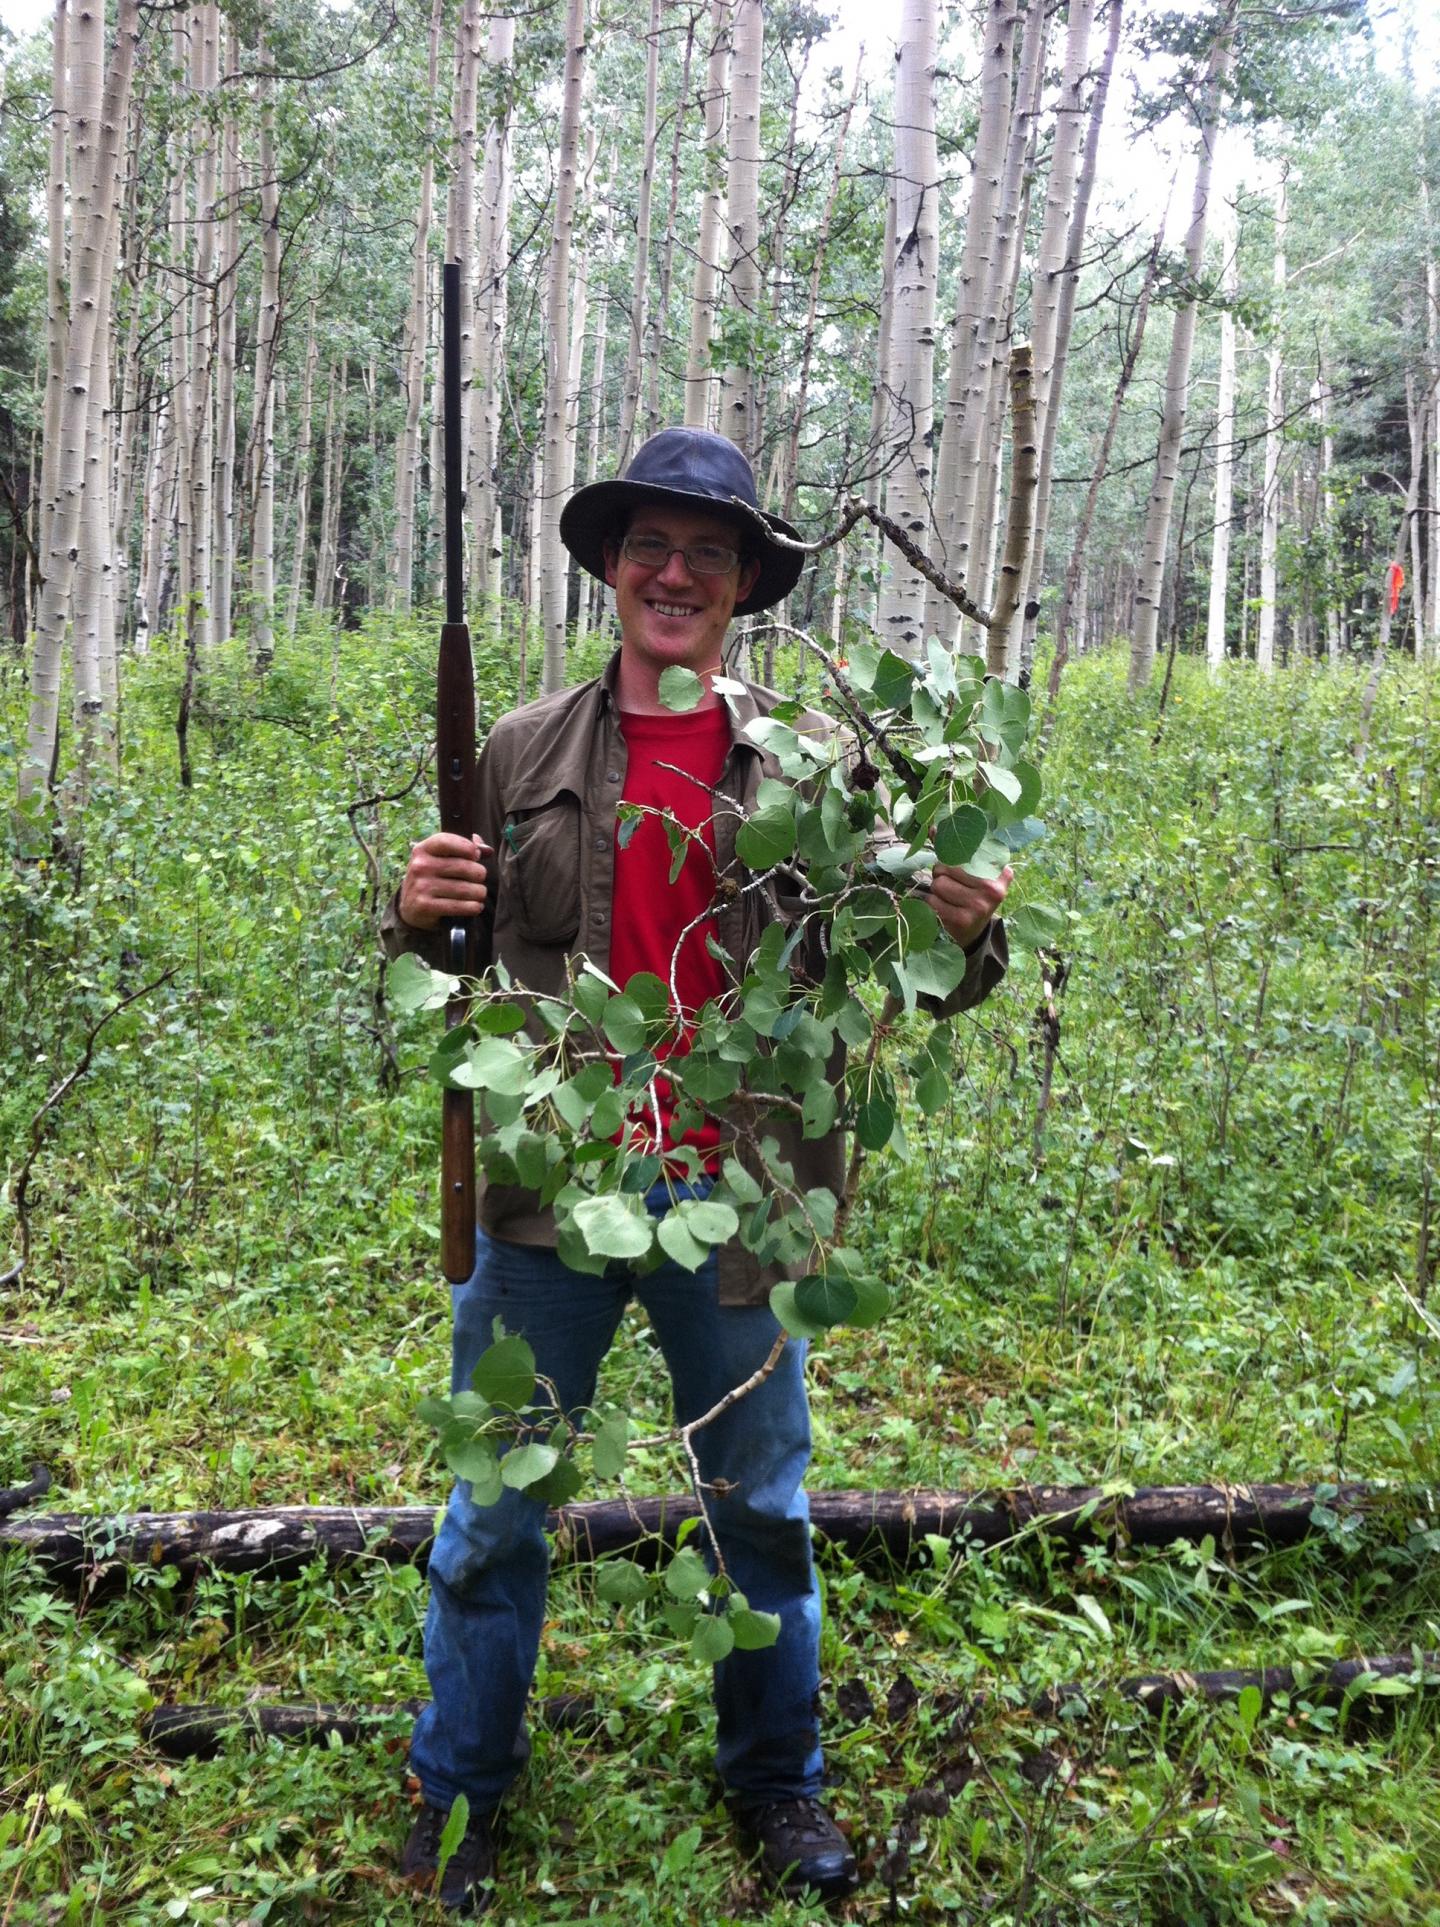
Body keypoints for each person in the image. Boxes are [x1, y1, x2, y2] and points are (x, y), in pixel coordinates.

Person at [383, 427, 1010, 1915]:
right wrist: (421, 912)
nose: (676, 574)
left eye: (708, 554)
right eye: (651, 546)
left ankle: (777, 1787)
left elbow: (908, 979)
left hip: (742, 1200)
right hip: (551, 1192)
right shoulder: (520, 751)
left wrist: (963, 930)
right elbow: (458, 963)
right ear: (611, 569)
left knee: (763, 1513)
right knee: (494, 1510)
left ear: (741, 589)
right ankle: (456, 1791)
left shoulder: (812, 762)